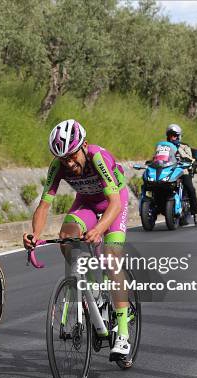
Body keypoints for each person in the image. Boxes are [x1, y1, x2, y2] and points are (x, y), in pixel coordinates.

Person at [22, 119, 131, 360]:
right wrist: (35, 235)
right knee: (66, 237)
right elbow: (43, 206)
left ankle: (122, 334)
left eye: (72, 157)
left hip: (114, 201)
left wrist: (100, 228)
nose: (70, 164)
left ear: (83, 146)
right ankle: (93, 289)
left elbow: (114, 203)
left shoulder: (97, 157)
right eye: (64, 160)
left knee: (112, 258)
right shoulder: (58, 166)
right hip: (87, 202)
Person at [165, 124, 197, 226]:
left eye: (175, 135)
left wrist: (183, 158)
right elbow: (158, 157)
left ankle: (196, 214)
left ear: (179, 136)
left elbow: (190, 159)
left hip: (182, 171)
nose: (172, 138)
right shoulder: (164, 147)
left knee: (190, 189)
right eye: (170, 136)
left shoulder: (184, 146)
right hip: (168, 172)